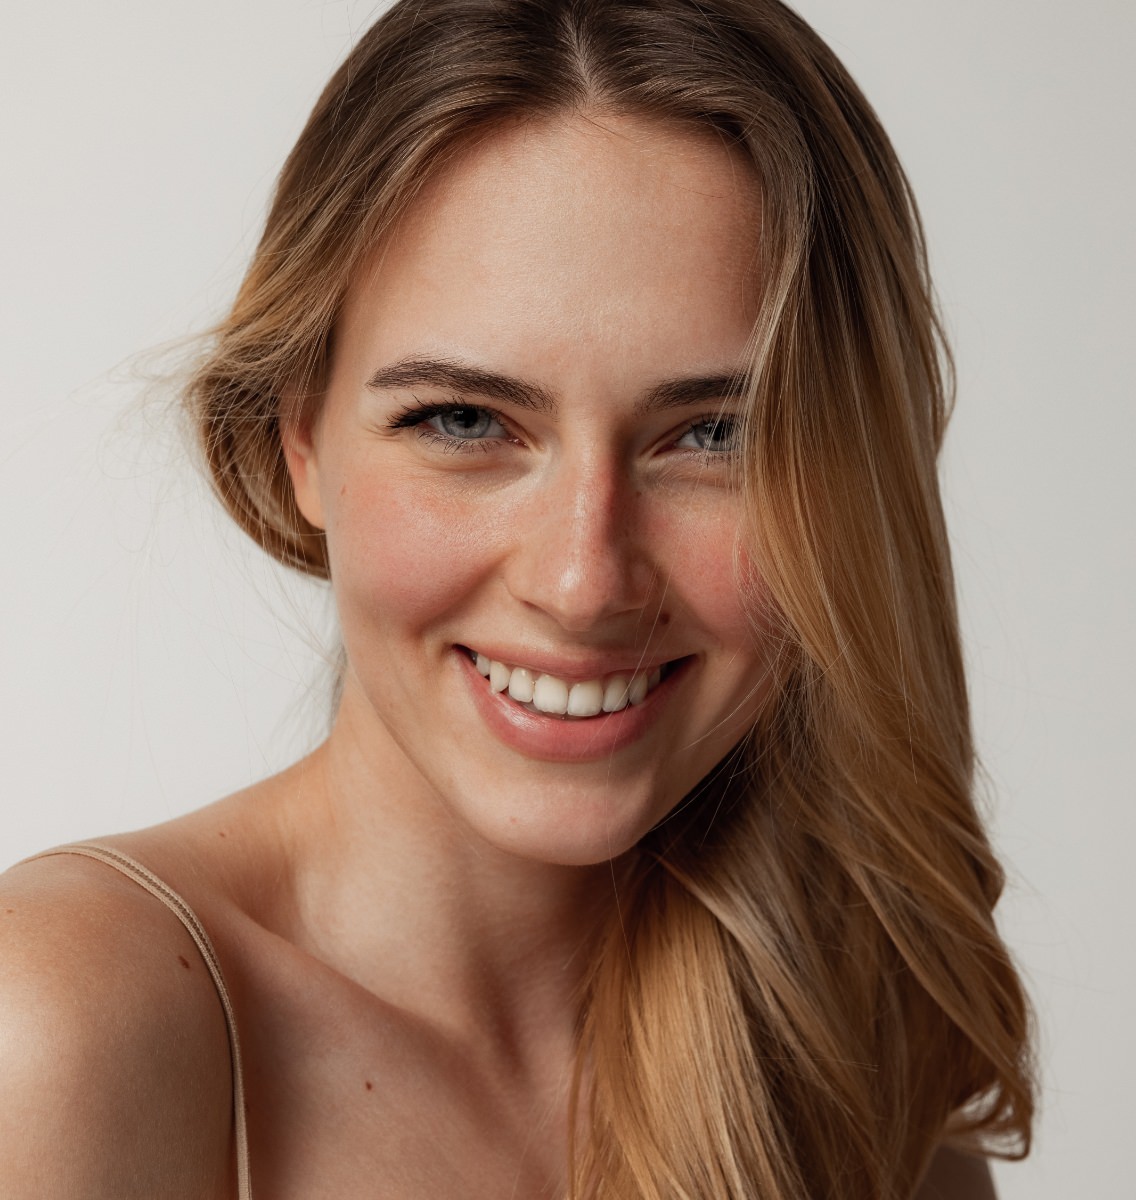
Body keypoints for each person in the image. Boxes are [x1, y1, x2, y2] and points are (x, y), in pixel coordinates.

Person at [0, 0, 1035, 1196]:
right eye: (463, 422)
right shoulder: (66, 1026)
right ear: (299, 438)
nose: (582, 581)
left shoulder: (850, 1061)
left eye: (712, 434)